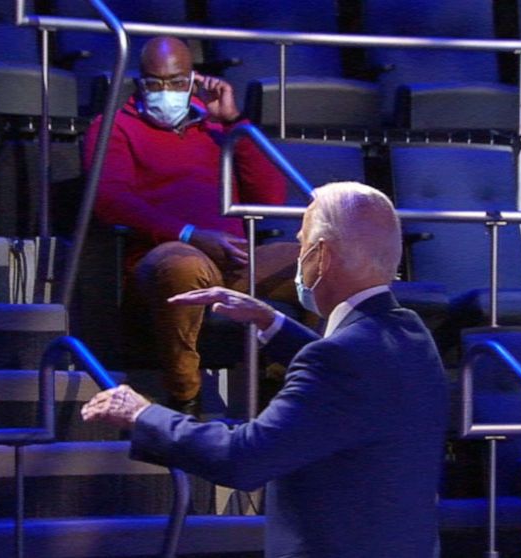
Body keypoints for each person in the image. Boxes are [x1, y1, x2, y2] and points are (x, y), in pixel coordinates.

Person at [82, 182, 448, 557]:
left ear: (321, 256)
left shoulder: (340, 361)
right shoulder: (411, 333)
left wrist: (142, 414)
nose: (300, 255)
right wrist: (269, 321)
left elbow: (243, 459)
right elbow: (352, 378)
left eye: (303, 243)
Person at [83, 35, 298, 415]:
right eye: (156, 83)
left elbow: (271, 196)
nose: (167, 92)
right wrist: (190, 235)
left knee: (320, 258)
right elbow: (109, 200)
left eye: (177, 82)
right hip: (163, 255)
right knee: (185, 265)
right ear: (139, 83)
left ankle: (298, 384)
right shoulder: (113, 126)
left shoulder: (218, 128)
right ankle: (186, 399)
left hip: (234, 260)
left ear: (194, 80)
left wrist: (234, 121)